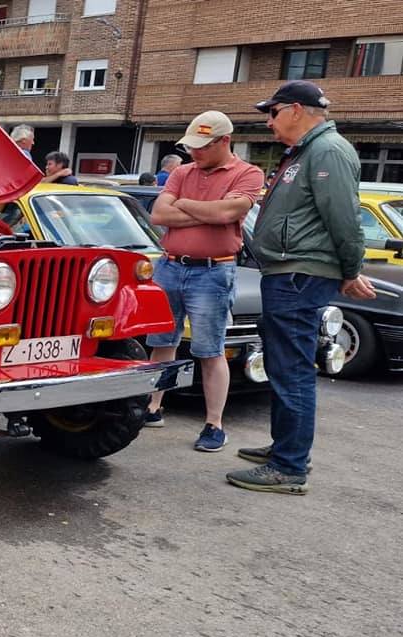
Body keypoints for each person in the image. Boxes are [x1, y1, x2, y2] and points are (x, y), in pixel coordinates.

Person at [228, 81, 375, 494]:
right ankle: (284, 449)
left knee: (291, 369)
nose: (269, 123)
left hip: (300, 274)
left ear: (295, 109)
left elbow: (344, 217)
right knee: (280, 364)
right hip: (289, 272)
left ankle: (289, 466)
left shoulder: (327, 151)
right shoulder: (307, 151)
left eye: (272, 114)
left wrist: (351, 268)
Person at [144, 111, 265, 454]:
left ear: (224, 141)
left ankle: (214, 424)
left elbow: (228, 214)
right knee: (161, 340)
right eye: (191, 147)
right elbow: (158, 214)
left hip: (213, 271)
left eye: (201, 147)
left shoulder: (248, 173)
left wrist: (183, 204)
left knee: (210, 349)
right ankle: (153, 408)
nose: (193, 154)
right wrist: (208, 209)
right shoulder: (182, 171)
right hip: (169, 266)